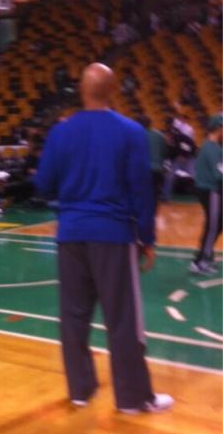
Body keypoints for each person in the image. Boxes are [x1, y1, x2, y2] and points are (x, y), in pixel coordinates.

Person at [34, 63, 173, 414]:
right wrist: (147, 238)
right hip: (112, 235)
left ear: (81, 90)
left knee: (74, 315)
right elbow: (142, 191)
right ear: (113, 91)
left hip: (71, 234)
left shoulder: (60, 132)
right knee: (123, 318)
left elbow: (43, 184)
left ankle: (80, 390)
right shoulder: (130, 132)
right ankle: (132, 398)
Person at [190, 114, 222, 275]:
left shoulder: (209, 146)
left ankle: (204, 256)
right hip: (211, 191)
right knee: (213, 226)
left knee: (216, 225)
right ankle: (201, 262)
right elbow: (219, 175)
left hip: (208, 190)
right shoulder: (213, 149)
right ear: (218, 129)